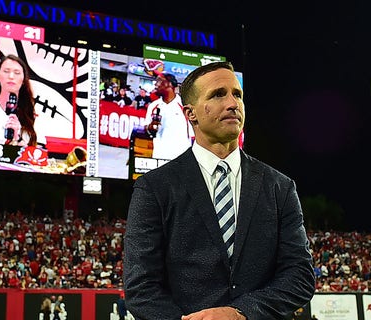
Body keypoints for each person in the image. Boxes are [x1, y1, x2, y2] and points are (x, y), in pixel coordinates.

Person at [123, 61, 315, 319]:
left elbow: (300, 276)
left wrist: (241, 313)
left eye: (237, 94)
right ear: (190, 113)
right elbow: (140, 287)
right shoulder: (154, 188)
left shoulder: (280, 187)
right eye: (218, 94)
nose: (233, 103)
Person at [142, 73, 194, 160]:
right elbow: (146, 129)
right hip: (159, 156)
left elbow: (194, 134)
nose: (155, 84)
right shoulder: (153, 106)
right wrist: (150, 127)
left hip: (181, 159)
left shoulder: (185, 105)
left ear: (169, 84)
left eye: (159, 81)